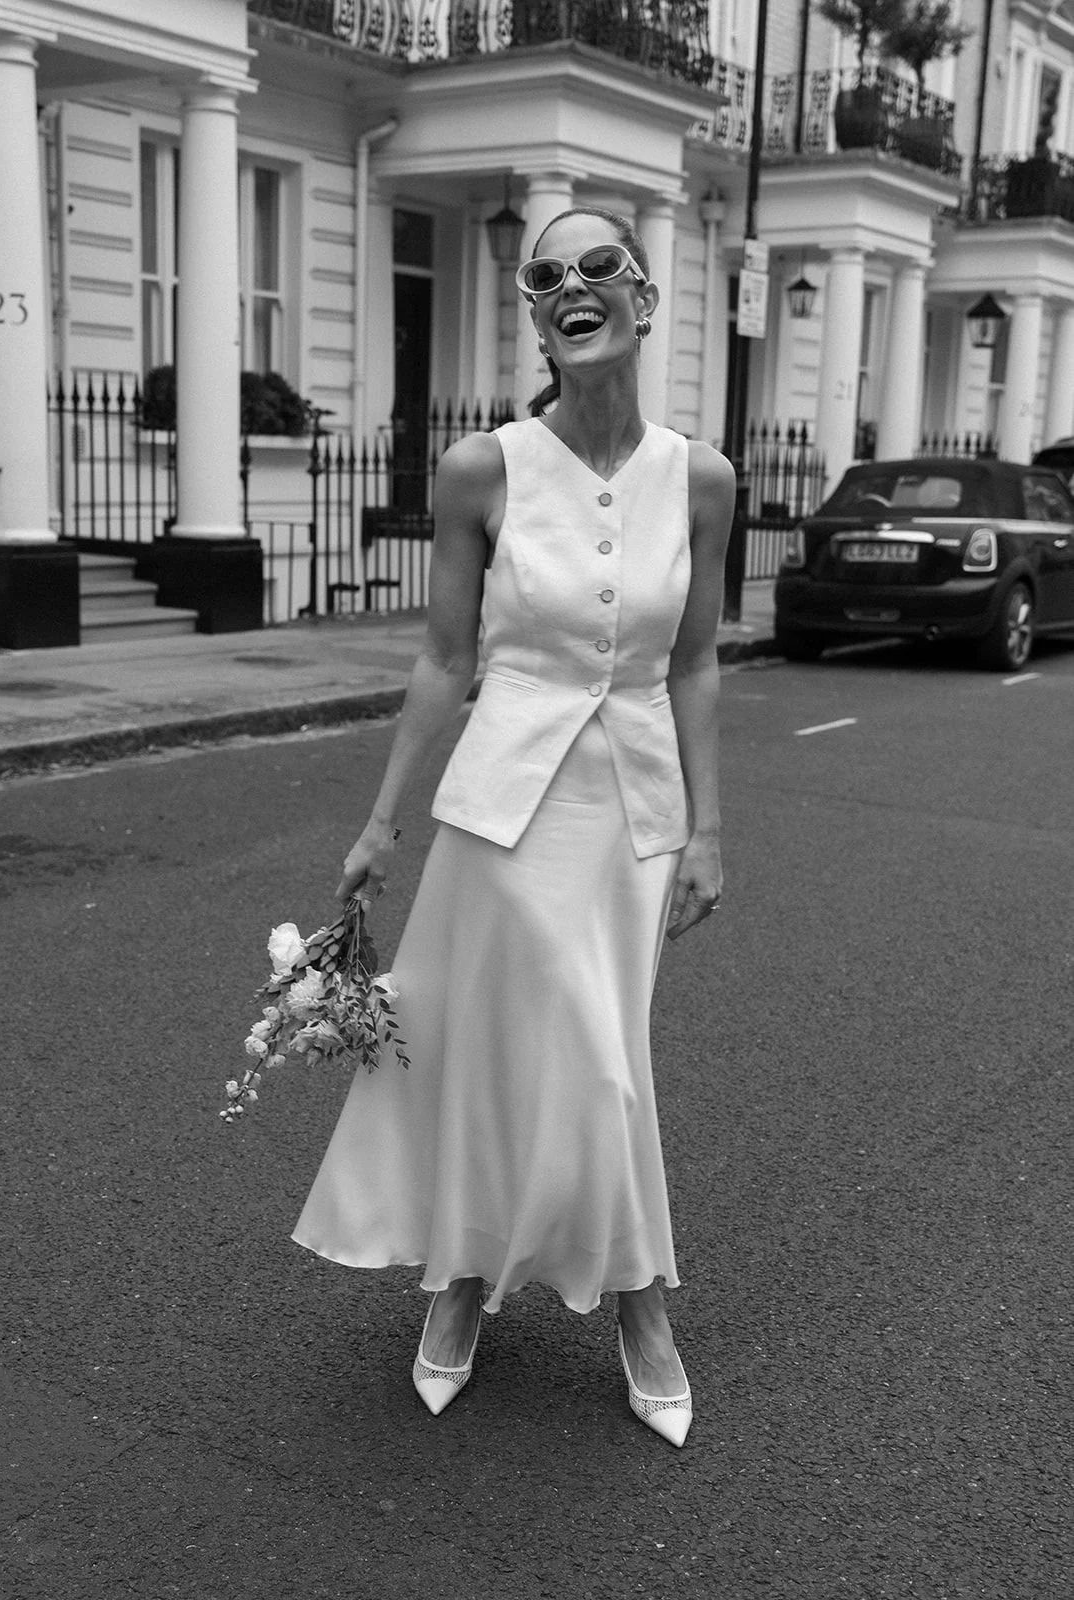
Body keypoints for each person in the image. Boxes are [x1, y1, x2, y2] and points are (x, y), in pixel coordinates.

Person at [293, 205, 735, 1447]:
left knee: (605, 1056)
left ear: (643, 300)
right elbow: (443, 657)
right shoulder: (482, 468)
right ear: (537, 321)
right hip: (501, 806)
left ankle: (585, 1297)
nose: (570, 286)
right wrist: (380, 822)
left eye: (599, 266)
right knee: (502, 1048)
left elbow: (693, 663)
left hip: (631, 807)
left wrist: (707, 830)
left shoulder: (698, 479)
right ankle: (483, 1283)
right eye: (545, 277)